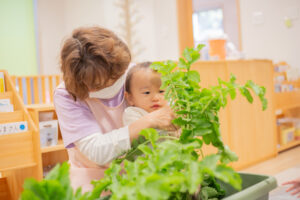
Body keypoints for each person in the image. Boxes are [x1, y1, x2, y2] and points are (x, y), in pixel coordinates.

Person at [53, 26, 175, 193]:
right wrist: (146, 121)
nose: (114, 84)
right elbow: (96, 150)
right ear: (82, 83)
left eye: (117, 78)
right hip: (92, 179)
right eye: (101, 84)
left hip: (138, 172)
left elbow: (166, 106)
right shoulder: (66, 95)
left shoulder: (131, 73)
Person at [123, 62, 178, 137]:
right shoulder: (133, 113)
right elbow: (137, 136)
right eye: (146, 92)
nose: (155, 98)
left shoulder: (171, 110)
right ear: (130, 98)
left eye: (161, 91)